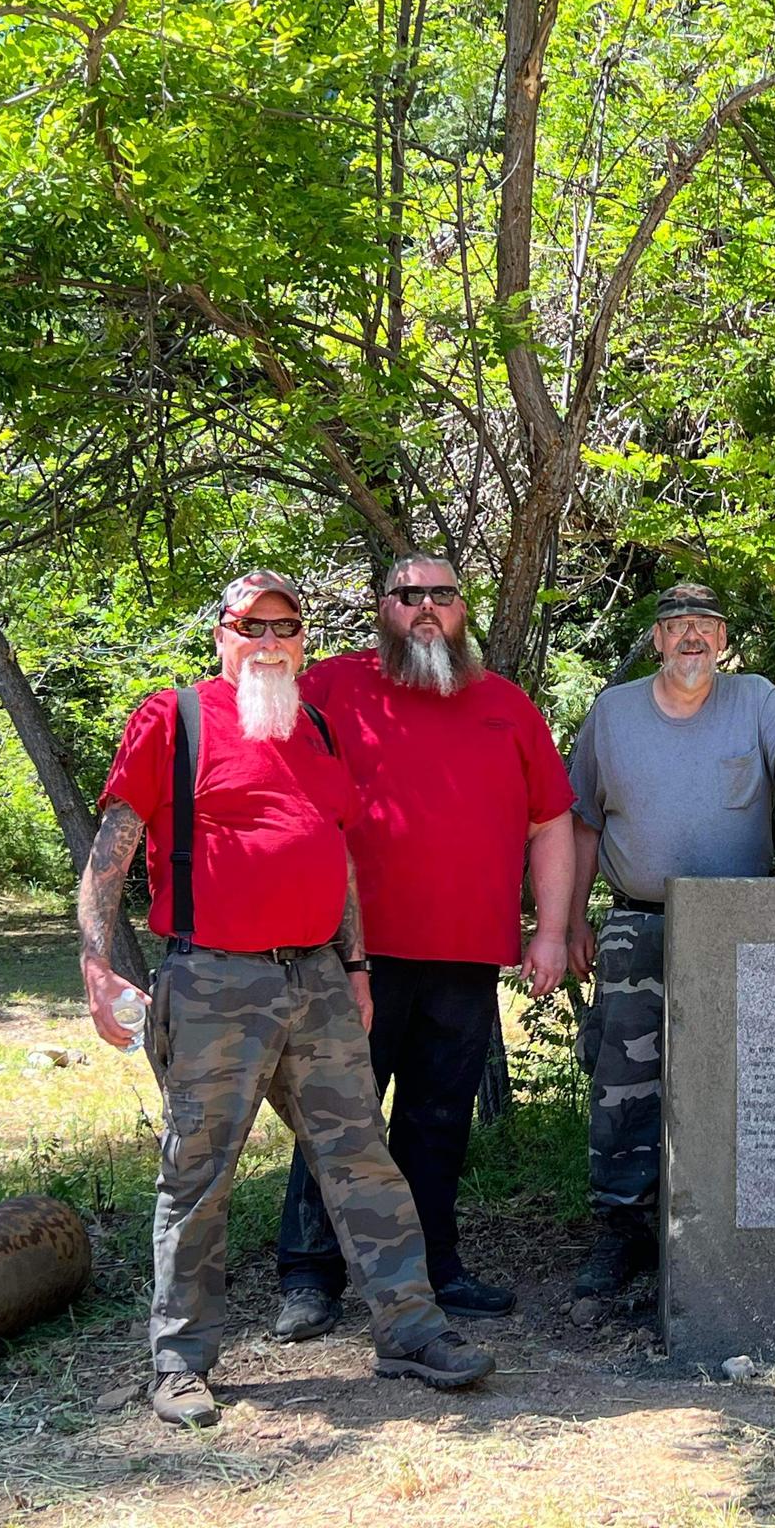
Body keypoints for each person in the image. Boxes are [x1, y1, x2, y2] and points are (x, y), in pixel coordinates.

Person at [77, 570, 493, 1427]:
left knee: (362, 1160)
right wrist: (96, 961)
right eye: (251, 626)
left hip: (318, 979)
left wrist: (357, 965)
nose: (269, 642)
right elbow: (112, 847)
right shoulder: (175, 718)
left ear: (303, 640)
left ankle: (410, 1332)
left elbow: (338, 853)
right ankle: (181, 1362)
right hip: (213, 981)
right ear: (222, 637)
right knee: (198, 1174)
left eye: (285, 627)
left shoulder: (315, 727)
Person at [270, 555, 576, 1341]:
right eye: (410, 596)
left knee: (438, 1121)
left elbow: (550, 823)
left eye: (443, 594)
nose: (427, 607)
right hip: (353, 956)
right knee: (339, 1116)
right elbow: (268, 781)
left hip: (466, 956)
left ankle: (433, 1268)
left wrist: (549, 930)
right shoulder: (333, 688)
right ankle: (310, 1277)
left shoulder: (505, 705)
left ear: (463, 609)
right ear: (385, 609)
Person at [562, 582, 775, 1297]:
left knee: (739, 1079)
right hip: (638, 923)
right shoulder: (613, 713)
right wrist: (570, 921)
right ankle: (623, 1230)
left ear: (721, 639)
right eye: (676, 625)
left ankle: (726, 1229)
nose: (691, 637)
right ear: (657, 639)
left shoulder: (755, 699)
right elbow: (583, 821)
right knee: (624, 1084)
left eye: (705, 626)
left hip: (736, 929)